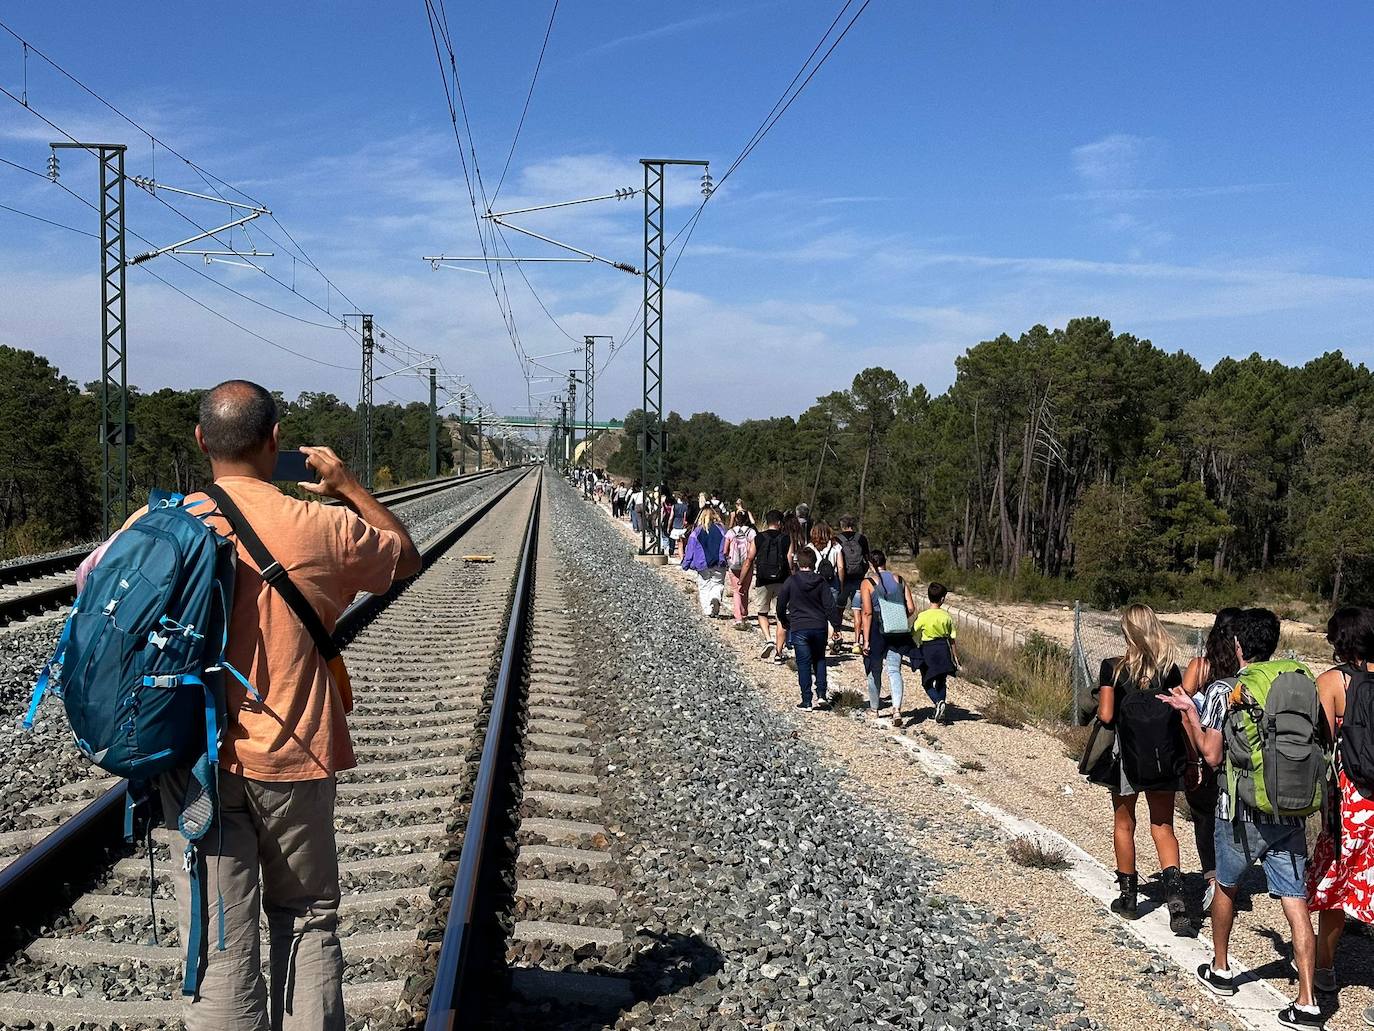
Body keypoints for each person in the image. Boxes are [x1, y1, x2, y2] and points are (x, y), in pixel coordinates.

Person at [85, 380, 421, 1030]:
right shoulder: (324, 527)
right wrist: (348, 483)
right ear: (275, 442)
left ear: (201, 441)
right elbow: (404, 557)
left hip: (195, 762)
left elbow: (93, 585)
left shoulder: (158, 523)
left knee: (221, 939)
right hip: (293, 756)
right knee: (305, 916)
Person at [1164, 608, 1324, 1029]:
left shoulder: (1225, 690)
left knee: (1228, 887)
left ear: (1238, 645)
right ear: (1272, 643)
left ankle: (1220, 969)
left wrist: (1191, 715)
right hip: (1290, 810)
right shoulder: (1299, 681)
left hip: (1238, 811)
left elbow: (1211, 754)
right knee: (1296, 903)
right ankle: (1307, 1001)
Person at [1095, 604, 1187, 932]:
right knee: (1162, 825)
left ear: (1127, 632)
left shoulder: (1113, 668)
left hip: (1126, 757)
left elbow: (1106, 716)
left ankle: (1130, 899)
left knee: (1124, 824)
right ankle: (1176, 899)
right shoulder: (1170, 670)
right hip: (1162, 757)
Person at [1307, 606, 1374, 1000]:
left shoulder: (1333, 682)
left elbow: (1321, 745)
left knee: (1338, 884)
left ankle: (1325, 968)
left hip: (1351, 800)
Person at [1179, 607, 1244, 918]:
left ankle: (1212, 879)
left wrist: (1192, 757)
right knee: (1231, 818)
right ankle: (1229, 880)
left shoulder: (1200, 668)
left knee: (1205, 818)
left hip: (1203, 752)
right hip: (1237, 756)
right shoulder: (1247, 673)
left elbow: (1182, 706)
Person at [776, 548, 843, 710]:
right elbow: (830, 606)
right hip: (819, 626)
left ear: (798, 563)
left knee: (804, 664)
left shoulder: (791, 581)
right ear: (814, 563)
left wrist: (785, 621)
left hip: (799, 627)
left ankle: (806, 701)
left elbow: (780, 604)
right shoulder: (821, 582)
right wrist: (836, 626)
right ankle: (821, 695)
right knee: (819, 659)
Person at [858, 550, 918, 728]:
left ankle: (875, 708)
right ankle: (897, 710)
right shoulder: (899, 579)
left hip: (877, 629)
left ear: (870, 564)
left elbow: (867, 613)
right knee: (894, 670)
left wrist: (866, 640)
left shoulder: (867, 583)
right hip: (898, 631)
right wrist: (897, 618)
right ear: (885, 561)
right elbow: (911, 607)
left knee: (874, 669)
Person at [740, 510, 793, 663]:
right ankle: (778, 652)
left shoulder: (758, 538)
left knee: (762, 612)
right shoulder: (787, 539)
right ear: (779, 523)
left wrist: (741, 580)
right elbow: (790, 561)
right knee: (781, 616)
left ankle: (769, 639)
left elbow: (749, 559)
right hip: (782, 580)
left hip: (763, 580)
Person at [912, 582, 960, 724]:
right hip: (943, 648)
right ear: (943, 599)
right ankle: (941, 706)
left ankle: (938, 702)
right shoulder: (946, 617)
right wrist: (955, 657)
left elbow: (913, 631)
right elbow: (952, 639)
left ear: (928, 597)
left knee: (926, 681)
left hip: (928, 649)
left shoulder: (923, 616)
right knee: (941, 680)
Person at [680, 507, 727, 617]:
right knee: (718, 584)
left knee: (704, 587)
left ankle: (707, 609)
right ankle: (715, 598)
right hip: (719, 562)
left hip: (702, 564)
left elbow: (690, 550)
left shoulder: (696, 532)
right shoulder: (722, 530)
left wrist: (685, 564)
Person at [807, 522, 845, 653]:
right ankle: (831, 637)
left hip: (815, 582)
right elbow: (840, 567)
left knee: (817, 612)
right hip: (832, 581)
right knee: (831, 612)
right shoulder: (836, 547)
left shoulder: (810, 547)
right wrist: (840, 583)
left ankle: (819, 638)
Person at [835, 515, 870, 652]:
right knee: (857, 611)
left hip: (843, 580)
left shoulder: (837, 539)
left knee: (839, 609)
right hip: (858, 579)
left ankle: (837, 636)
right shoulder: (861, 538)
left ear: (842, 525)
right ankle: (857, 642)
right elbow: (867, 559)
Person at [723, 511, 757, 629]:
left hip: (734, 565)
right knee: (745, 589)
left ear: (736, 519)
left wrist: (728, 559)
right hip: (747, 565)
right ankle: (744, 612)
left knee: (736, 590)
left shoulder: (730, 532)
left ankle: (738, 617)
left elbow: (725, 550)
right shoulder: (751, 532)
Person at [669, 492, 689, 557]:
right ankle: (685, 556)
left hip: (676, 525)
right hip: (683, 526)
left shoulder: (674, 506)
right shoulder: (686, 506)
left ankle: (681, 557)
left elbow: (671, 517)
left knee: (679, 544)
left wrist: (669, 526)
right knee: (684, 543)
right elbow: (685, 517)